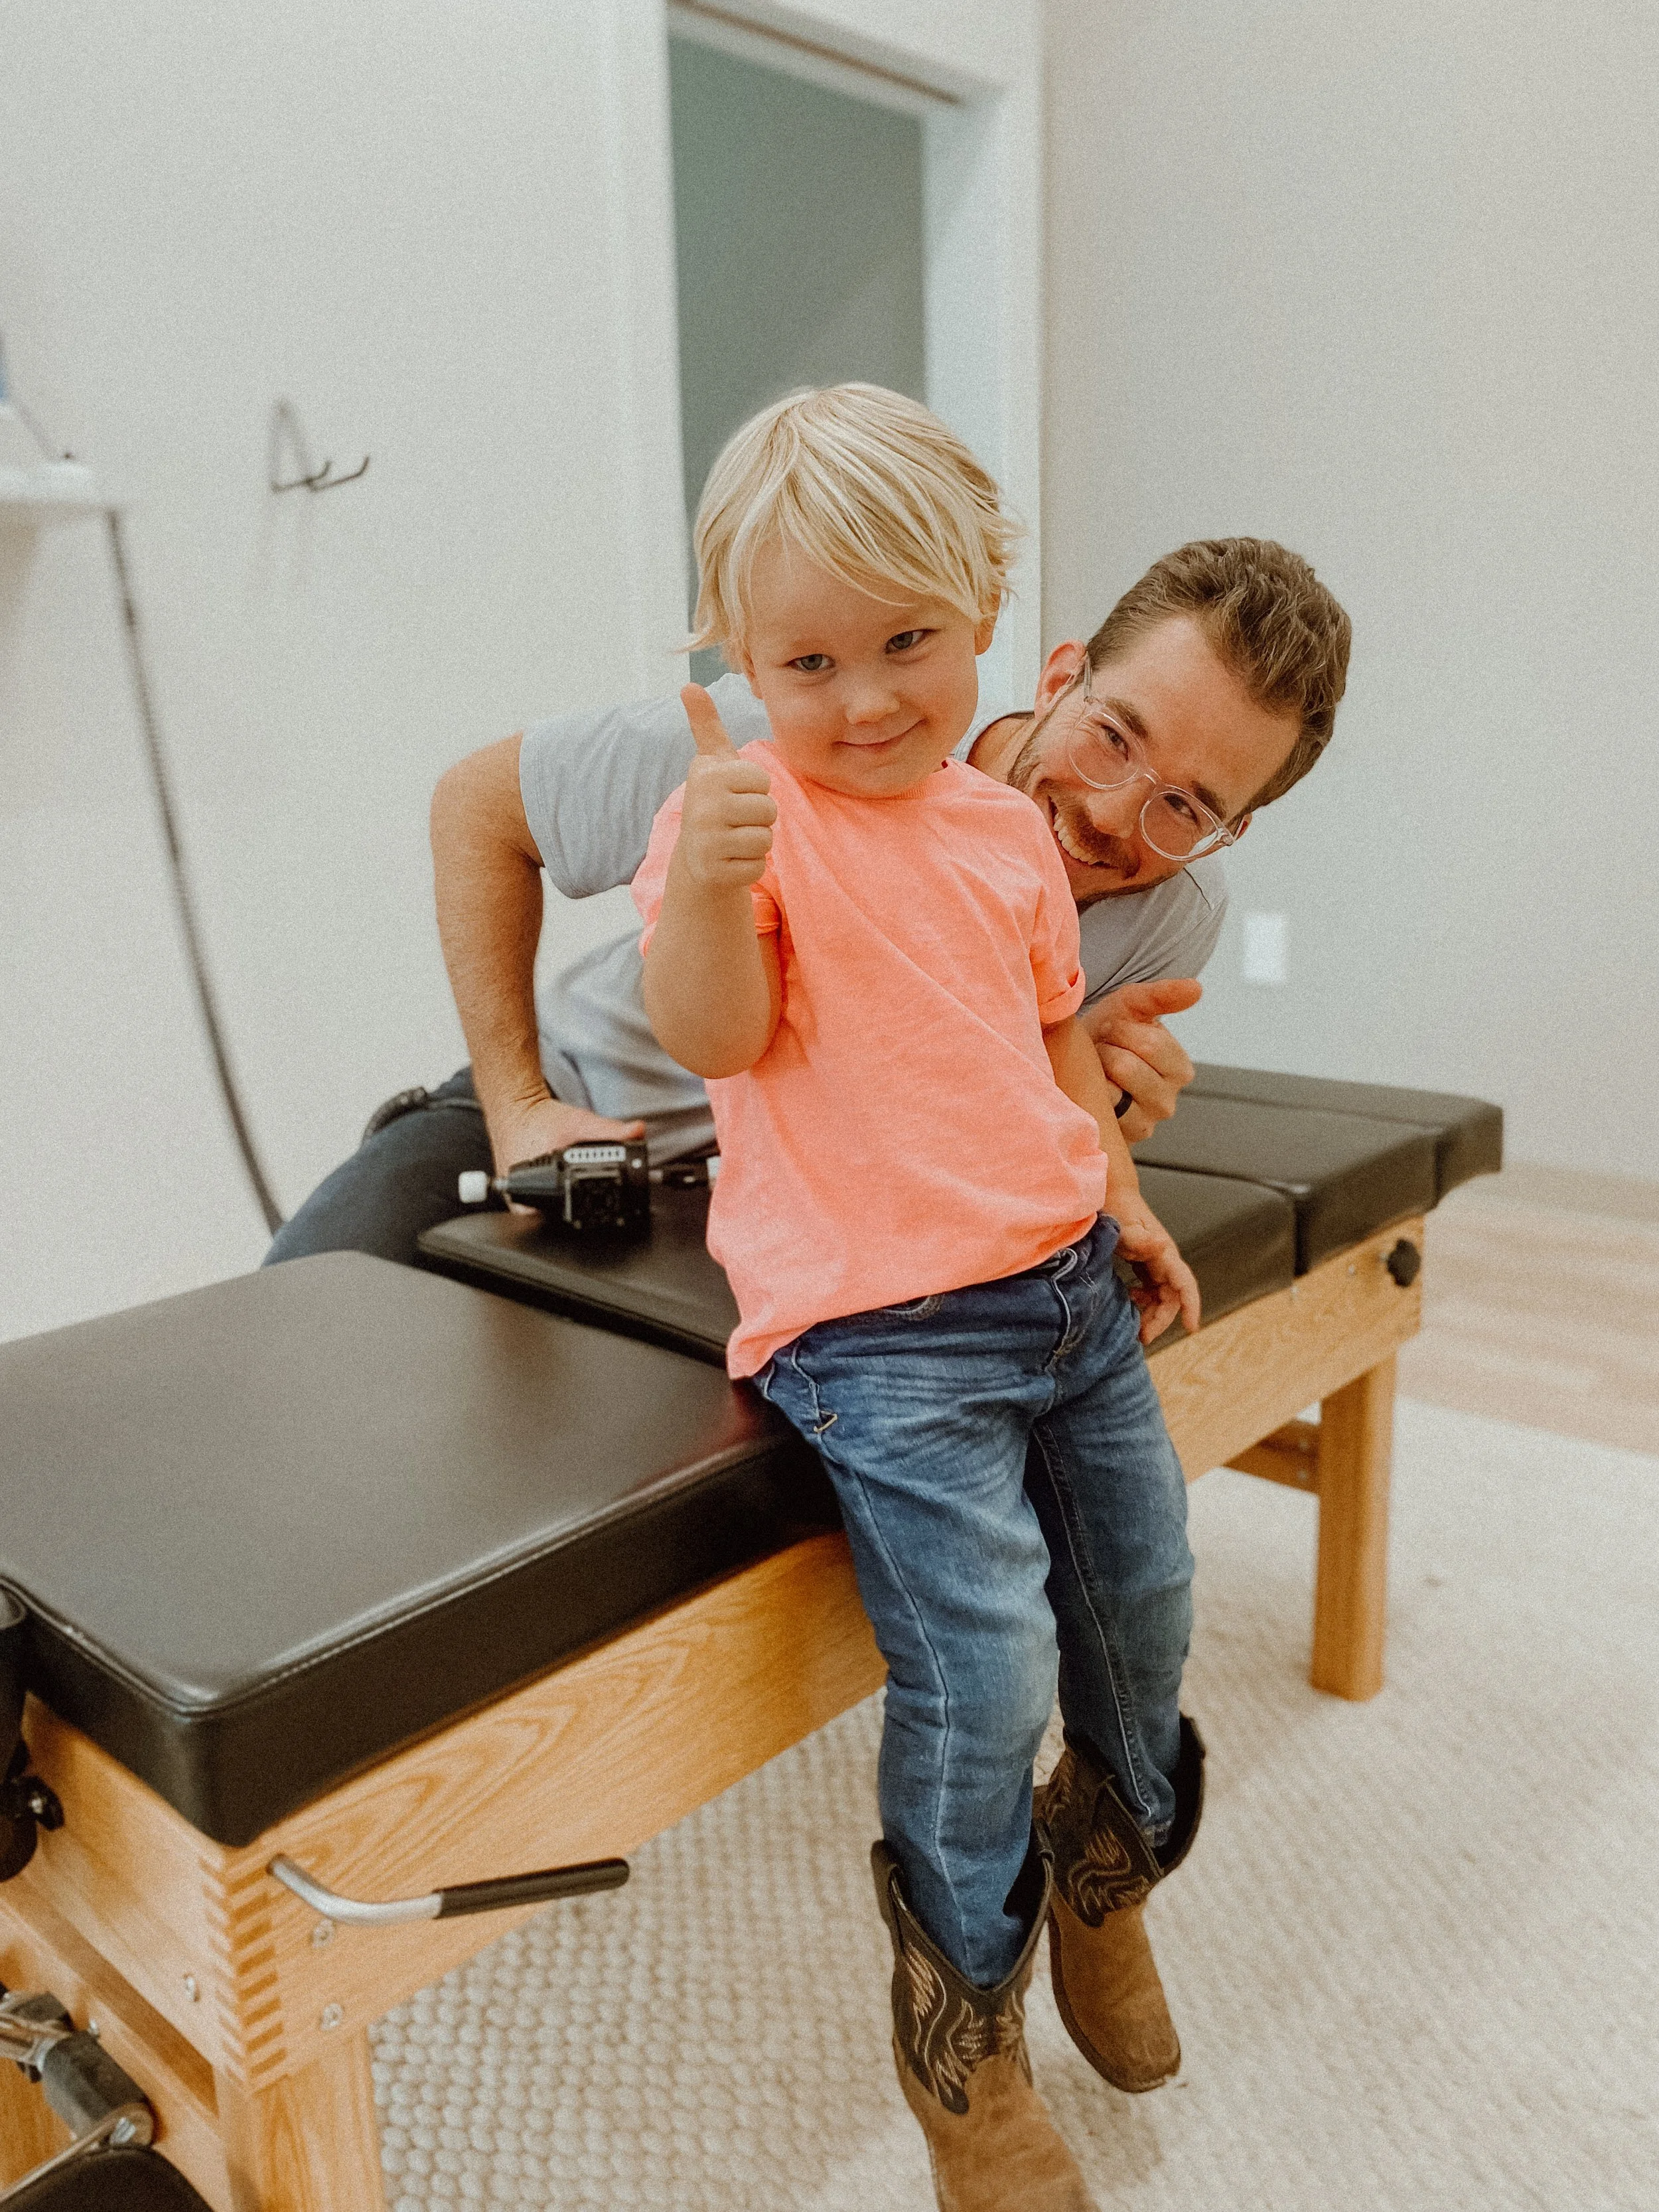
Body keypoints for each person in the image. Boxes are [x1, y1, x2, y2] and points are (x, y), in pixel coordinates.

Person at [632, 384, 1209, 2211]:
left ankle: (1102, 1874)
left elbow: (1046, 1037)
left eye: (908, 643)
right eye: (809, 659)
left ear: (983, 616)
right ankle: (963, 2038)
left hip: (1060, 1292)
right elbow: (713, 1034)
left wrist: (1107, 1192)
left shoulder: (1001, 826)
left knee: (1147, 1604)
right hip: (880, 1336)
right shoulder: (735, 822)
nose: (866, 697)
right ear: (736, 654)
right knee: (980, 1667)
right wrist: (710, 891)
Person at [262, 530, 1349, 1274]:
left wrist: (1098, 1107)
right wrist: (515, 1105)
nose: (1117, 817)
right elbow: (475, 808)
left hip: (804, 1214)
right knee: (298, 1332)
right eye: (1114, 736)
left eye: (1186, 806)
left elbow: (990, 1116)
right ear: (1061, 674)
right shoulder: (772, 740)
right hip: (583, 1108)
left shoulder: (1170, 915)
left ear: (1229, 828)